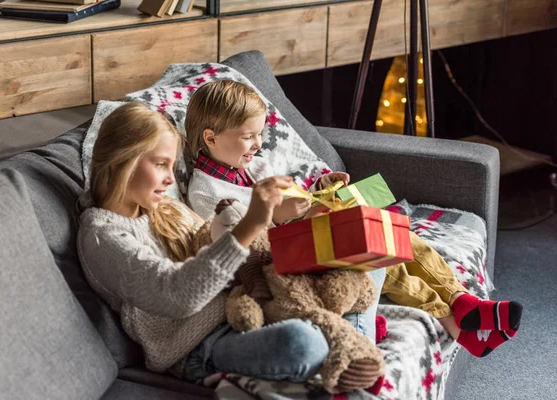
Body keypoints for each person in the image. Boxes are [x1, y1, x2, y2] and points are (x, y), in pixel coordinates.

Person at [184, 80, 523, 359]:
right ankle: (452, 319)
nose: (258, 144)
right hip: (280, 263)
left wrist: (320, 190)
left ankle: (461, 299)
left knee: (389, 226)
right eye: (248, 136)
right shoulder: (205, 193)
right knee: (371, 248)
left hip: (300, 232)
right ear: (210, 138)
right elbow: (241, 249)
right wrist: (281, 218)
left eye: (260, 134)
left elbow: (293, 197)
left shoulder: (252, 165)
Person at [76, 101, 381, 394]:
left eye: (172, 166)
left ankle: (349, 354)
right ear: (120, 164)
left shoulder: (167, 208)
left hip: (255, 306)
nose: (171, 179)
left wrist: (302, 227)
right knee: (302, 343)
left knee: (362, 267)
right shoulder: (102, 235)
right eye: (160, 165)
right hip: (200, 344)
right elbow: (175, 295)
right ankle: (351, 349)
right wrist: (250, 223)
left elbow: (232, 251)